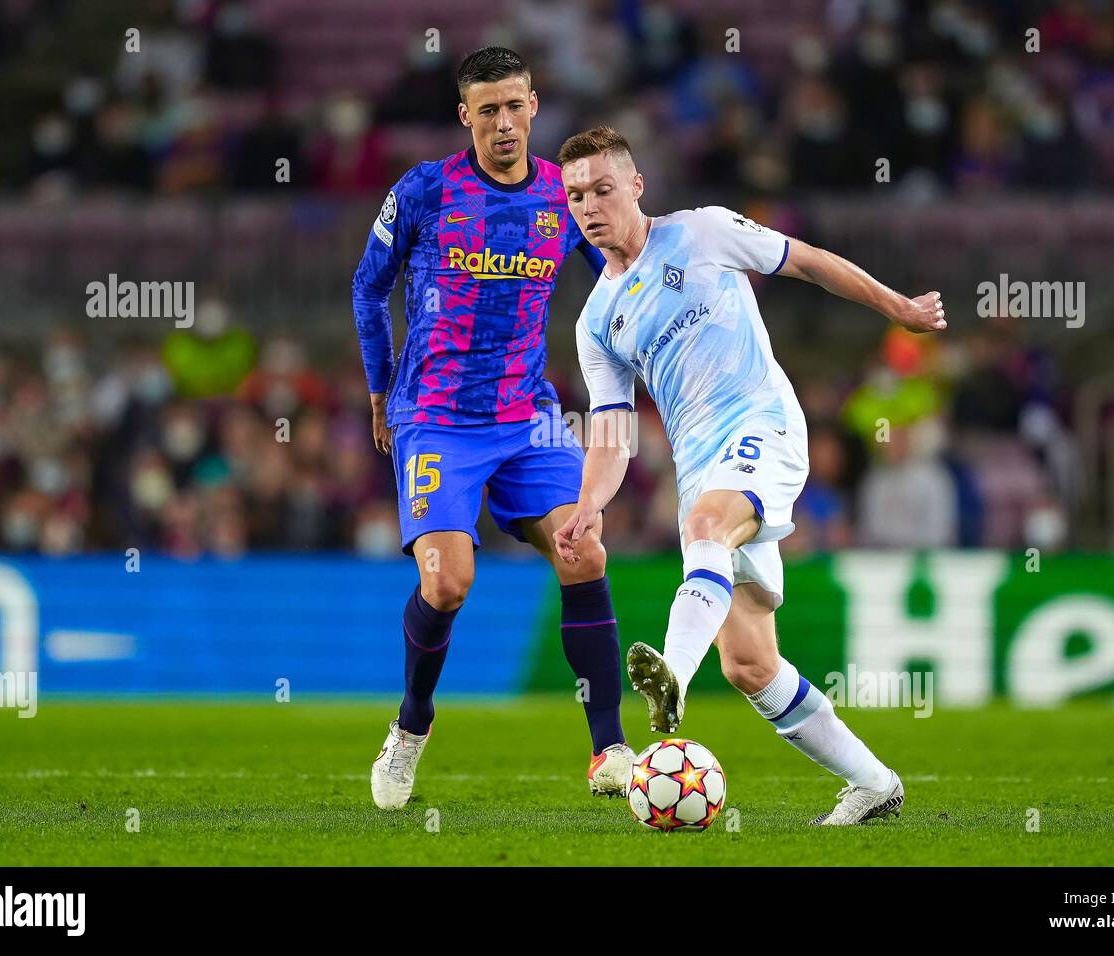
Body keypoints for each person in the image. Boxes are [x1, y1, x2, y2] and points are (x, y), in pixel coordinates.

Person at [554, 126, 946, 825]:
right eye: (577, 195)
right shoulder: (596, 322)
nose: (590, 205)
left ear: (636, 186)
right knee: (750, 665)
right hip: (702, 465)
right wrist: (589, 504)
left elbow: (808, 262)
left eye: (603, 189)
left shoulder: (703, 232)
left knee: (708, 524)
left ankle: (671, 672)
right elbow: (612, 431)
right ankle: (875, 783)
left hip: (764, 426)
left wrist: (899, 309)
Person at [352, 51, 633, 810]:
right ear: (464, 116)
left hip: (527, 417)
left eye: (514, 106)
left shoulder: (560, 194)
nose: (502, 123)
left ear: (534, 106)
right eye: (487, 110)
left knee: (584, 549)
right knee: (447, 582)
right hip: (438, 417)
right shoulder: (425, 191)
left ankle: (609, 747)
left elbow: (623, 265)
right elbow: (368, 287)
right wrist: (381, 390)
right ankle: (412, 727)